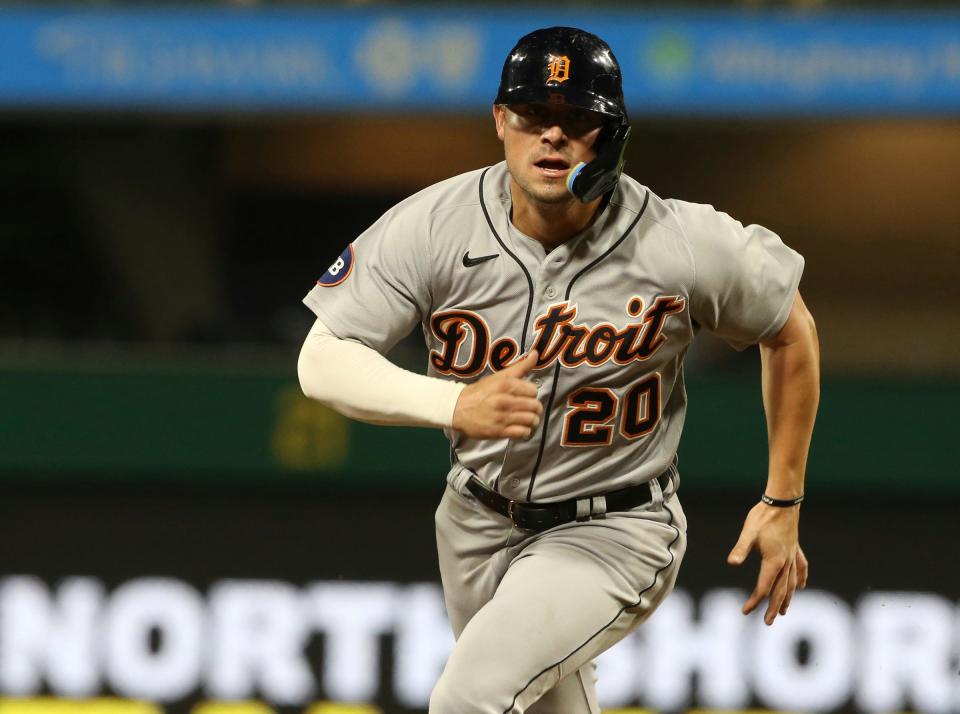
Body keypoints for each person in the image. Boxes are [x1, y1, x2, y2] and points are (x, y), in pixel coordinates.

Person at [298, 26, 819, 714]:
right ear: (500, 121)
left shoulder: (680, 242)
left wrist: (783, 501)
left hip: (615, 527)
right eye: (533, 115)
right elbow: (322, 360)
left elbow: (791, 332)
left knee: (468, 700)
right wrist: (455, 404)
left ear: (612, 137)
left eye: (577, 120)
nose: (552, 136)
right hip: (474, 517)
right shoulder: (435, 225)